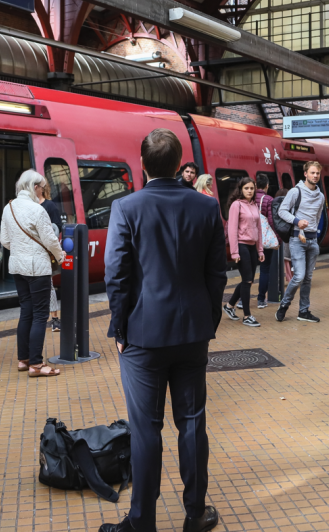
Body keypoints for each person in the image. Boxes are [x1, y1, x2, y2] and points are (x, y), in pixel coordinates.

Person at [101, 129, 226, 532]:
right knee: (191, 422)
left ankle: (142, 522)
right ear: (180, 165)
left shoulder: (126, 207)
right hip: (192, 332)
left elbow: (116, 275)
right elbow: (217, 274)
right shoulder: (207, 209)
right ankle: (196, 513)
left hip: (142, 335)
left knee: (145, 429)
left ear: (142, 164)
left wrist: (119, 327)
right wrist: (207, 321)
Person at [1, 170, 65, 377]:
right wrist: (60, 256)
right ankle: (37, 365)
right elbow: (50, 240)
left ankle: (24, 359)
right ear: (34, 187)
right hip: (37, 267)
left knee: (26, 311)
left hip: (18, 267)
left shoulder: (8, 208)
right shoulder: (37, 210)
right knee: (40, 315)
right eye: (42, 186)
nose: (42, 190)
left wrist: (21, 249)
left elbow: (5, 241)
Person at [275, 161, 325, 323]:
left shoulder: (321, 196)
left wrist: (314, 236)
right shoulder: (295, 192)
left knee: (308, 278)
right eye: (312, 173)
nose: (315, 176)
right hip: (297, 239)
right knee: (299, 276)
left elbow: (317, 218)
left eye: (317, 173)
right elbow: (282, 211)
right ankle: (284, 305)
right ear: (305, 174)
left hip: (312, 241)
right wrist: (297, 222)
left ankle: (303, 311)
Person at [222, 178, 266, 327]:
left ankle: (229, 306)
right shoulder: (237, 205)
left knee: (249, 280)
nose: (249, 191)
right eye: (246, 188)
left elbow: (259, 230)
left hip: (253, 246)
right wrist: (234, 253)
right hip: (241, 246)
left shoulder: (254, 205)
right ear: (241, 189)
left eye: (251, 188)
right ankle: (247, 315)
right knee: (247, 280)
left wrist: (260, 249)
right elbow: (232, 229)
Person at [38, 179, 64, 332]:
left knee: (49, 285)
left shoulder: (49, 206)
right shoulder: (28, 206)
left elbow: (57, 227)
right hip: (33, 251)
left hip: (46, 250)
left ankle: (54, 318)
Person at [254, 173, 276, 308]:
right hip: (264, 240)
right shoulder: (268, 199)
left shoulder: (248, 198)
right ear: (267, 186)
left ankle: (240, 299)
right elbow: (272, 222)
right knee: (265, 269)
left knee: (249, 271)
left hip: (250, 238)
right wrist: (277, 240)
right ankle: (261, 299)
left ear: (255, 185)